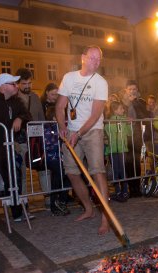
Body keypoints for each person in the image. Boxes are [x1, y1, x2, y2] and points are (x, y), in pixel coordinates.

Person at [56, 45, 109, 235]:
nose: (96, 61)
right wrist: (63, 127)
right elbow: (60, 106)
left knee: (97, 172)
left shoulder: (101, 82)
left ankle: (106, 217)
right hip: (71, 131)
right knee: (71, 172)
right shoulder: (69, 78)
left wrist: (78, 134)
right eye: (92, 57)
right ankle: (88, 208)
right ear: (83, 58)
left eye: (99, 59)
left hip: (92, 131)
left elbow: (95, 115)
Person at [0, 73, 32, 221]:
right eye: (13, 84)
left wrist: (20, 118)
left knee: (13, 179)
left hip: (8, 147)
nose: (16, 86)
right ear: (2, 87)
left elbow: (27, 115)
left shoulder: (16, 102)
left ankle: (17, 213)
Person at [15, 68, 48, 212]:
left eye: (29, 83)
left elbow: (41, 118)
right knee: (21, 173)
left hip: (35, 140)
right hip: (20, 141)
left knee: (42, 169)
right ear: (17, 83)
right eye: (24, 83)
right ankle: (23, 204)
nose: (27, 86)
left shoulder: (35, 97)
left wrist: (43, 139)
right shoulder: (13, 98)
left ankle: (48, 198)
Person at [40, 82, 71, 216]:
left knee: (67, 176)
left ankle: (62, 200)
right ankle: (55, 203)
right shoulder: (50, 129)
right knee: (57, 180)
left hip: (60, 158)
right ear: (54, 117)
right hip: (53, 158)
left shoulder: (58, 127)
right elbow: (52, 141)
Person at [125, 80, 150, 198]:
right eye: (130, 89)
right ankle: (131, 188)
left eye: (134, 89)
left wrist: (134, 101)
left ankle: (137, 188)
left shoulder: (141, 102)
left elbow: (143, 116)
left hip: (137, 135)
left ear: (137, 91)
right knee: (128, 163)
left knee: (136, 162)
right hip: (125, 136)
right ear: (126, 90)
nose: (132, 91)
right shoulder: (122, 102)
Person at [105, 101, 131, 202]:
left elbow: (129, 133)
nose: (123, 110)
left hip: (122, 149)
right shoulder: (108, 122)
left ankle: (125, 190)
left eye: (123, 108)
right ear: (115, 110)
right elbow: (107, 133)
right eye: (121, 109)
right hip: (112, 150)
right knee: (115, 171)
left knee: (123, 170)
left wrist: (128, 124)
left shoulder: (124, 120)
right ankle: (117, 191)